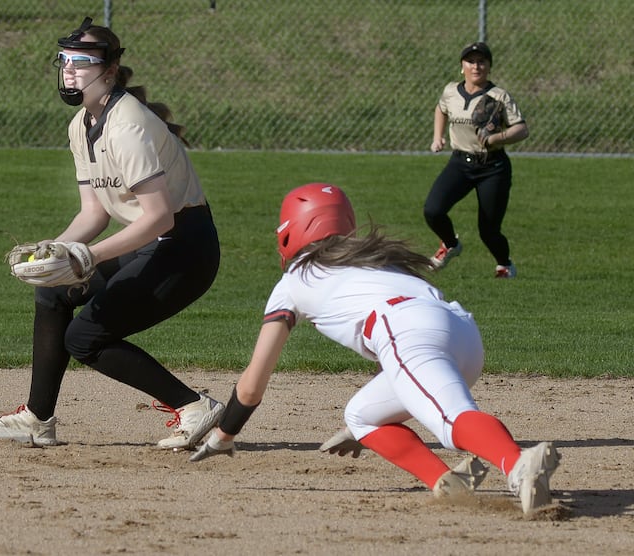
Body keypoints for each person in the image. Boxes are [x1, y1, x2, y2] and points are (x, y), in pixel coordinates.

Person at [190, 183, 561, 515]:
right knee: (362, 416)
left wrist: (224, 436)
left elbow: (252, 386)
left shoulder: (293, 280)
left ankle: (517, 464)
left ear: (291, 232)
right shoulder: (377, 257)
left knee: (451, 421)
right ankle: (448, 482)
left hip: (407, 333)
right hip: (461, 334)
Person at [0, 17, 223, 450]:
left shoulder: (128, 125)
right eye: (65, 61)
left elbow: (161, 217)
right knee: (52, 292)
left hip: (185, 250)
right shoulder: (81, 126)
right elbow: (94, 212)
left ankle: (195, 406)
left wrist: (86, 258)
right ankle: (37, 419)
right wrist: (56, 249)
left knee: (85, 337)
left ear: (109, 71)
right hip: (152, 242)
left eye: (82, 62)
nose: (70, 70)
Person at [425, 42, 529, 278]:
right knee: (433, 210)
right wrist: (437, 137)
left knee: (489, 230)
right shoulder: (451, 91)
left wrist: (496, 138)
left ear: (489, 67)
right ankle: (451, 244)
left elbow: (522, 129)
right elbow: (440, 109)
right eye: (471, 61)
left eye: (482, 61)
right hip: (460, 162)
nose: (476, 66)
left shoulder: (498, 96)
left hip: (493, 166)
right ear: (462, 66)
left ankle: (504, 265)